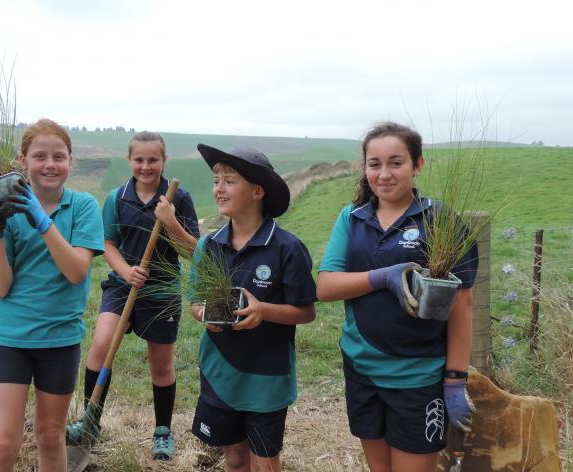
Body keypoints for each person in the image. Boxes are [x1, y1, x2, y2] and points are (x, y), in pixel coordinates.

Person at [315, 122, 477, 472]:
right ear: (364, 168)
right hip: (362, 371)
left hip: (417, 377)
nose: (384, 174)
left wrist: (455, 378)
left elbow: (462, 305)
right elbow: (326, 286)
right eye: (375, 164)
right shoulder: (352, 218)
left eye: (396, 162)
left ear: (418, 165)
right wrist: (381, 278)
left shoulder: (441, 221)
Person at [67, 132, 199, 460]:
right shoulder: (117, 197)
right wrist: (126, 272)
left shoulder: (178, 199)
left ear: (164, 161)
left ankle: (163, 432)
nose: (145, 166)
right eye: (139, 160)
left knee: (161, 365)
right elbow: (108, 244)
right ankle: (90, 420)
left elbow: (192, 251)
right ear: (129, 161)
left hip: (163, 290)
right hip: (123, 285)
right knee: (100, 347)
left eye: (153, 160)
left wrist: (169, 222)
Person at [0, 119, 104, 471]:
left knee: (51, 437)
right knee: (3, 442)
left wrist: (42, 221)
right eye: (39, 156)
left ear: (71, 162)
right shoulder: (4, 209)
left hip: (59, 340)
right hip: (10, 340)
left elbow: (76, 270)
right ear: (22, 161)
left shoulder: (83, 207)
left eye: (59, 156)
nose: (50, 164)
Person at [188, 144, 317, 472]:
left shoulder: (287, 248)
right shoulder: (208, 245)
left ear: (257, 191)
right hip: (220, 373)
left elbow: (306, 311)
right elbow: (195, 300)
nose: (219, 188)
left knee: (265, 463)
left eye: (229, 181)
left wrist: (264, 311)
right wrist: (204, 313)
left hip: (267, 380)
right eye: (216, 180)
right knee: (234, 458)